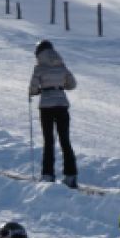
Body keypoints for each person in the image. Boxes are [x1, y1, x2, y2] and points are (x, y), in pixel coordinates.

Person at [28, 39, 79, 188]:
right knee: (65, 140)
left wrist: (37, 91)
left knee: (49, 141)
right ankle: (71, 176)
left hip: (46, 107)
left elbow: (32, 88)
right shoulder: (61, 64)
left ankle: (47, 175)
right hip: (62, 105)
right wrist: (60, 86)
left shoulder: (39, 67)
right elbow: (72, 84)